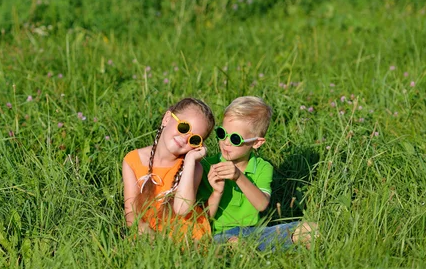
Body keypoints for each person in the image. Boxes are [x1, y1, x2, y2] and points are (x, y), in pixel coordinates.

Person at [197, 96, 317, 250]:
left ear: (256, 143)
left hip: (254, 232)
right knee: (235, 243)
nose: (226, 142)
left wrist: (239, 177)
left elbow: (261, 204)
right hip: (219, 234)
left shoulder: (262, 167)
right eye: (222, 133)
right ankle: (269, 250)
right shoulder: (207, 165)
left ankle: (270, 250)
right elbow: (202, 218)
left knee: (311, 229)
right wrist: (217, 191)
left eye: (235, 138)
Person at [122, 97, 215, 242]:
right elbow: (130, 212)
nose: (185, 139)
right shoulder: (133, 160)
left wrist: (190, 161)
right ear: (166, 118)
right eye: (184, 128)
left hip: (184, 231)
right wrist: (147, 233)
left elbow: (182, 210)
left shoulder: (194, 168)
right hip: (145, 230)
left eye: (194, 139)